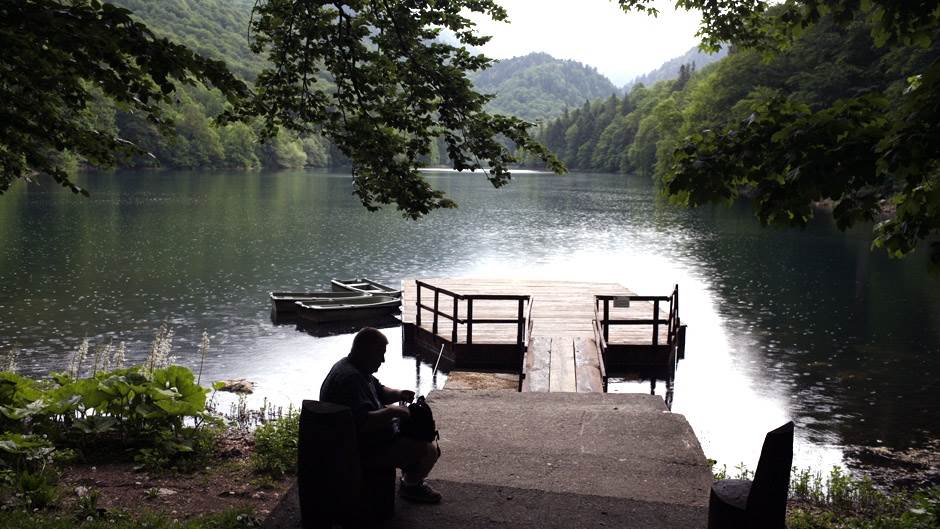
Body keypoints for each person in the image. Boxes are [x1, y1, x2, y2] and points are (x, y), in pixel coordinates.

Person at [320, 327, 442, 503]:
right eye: (380, 354)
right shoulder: (350, 379)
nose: (383, 360)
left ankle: (409, 474)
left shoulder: (355, 367)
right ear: (367, 352)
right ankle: (411, 486)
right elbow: (363, 422)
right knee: (429, 450)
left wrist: (399, 393)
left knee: (417, 432)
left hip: (365, 440)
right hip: (359, 449)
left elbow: (380, 390)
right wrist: (394, 412)